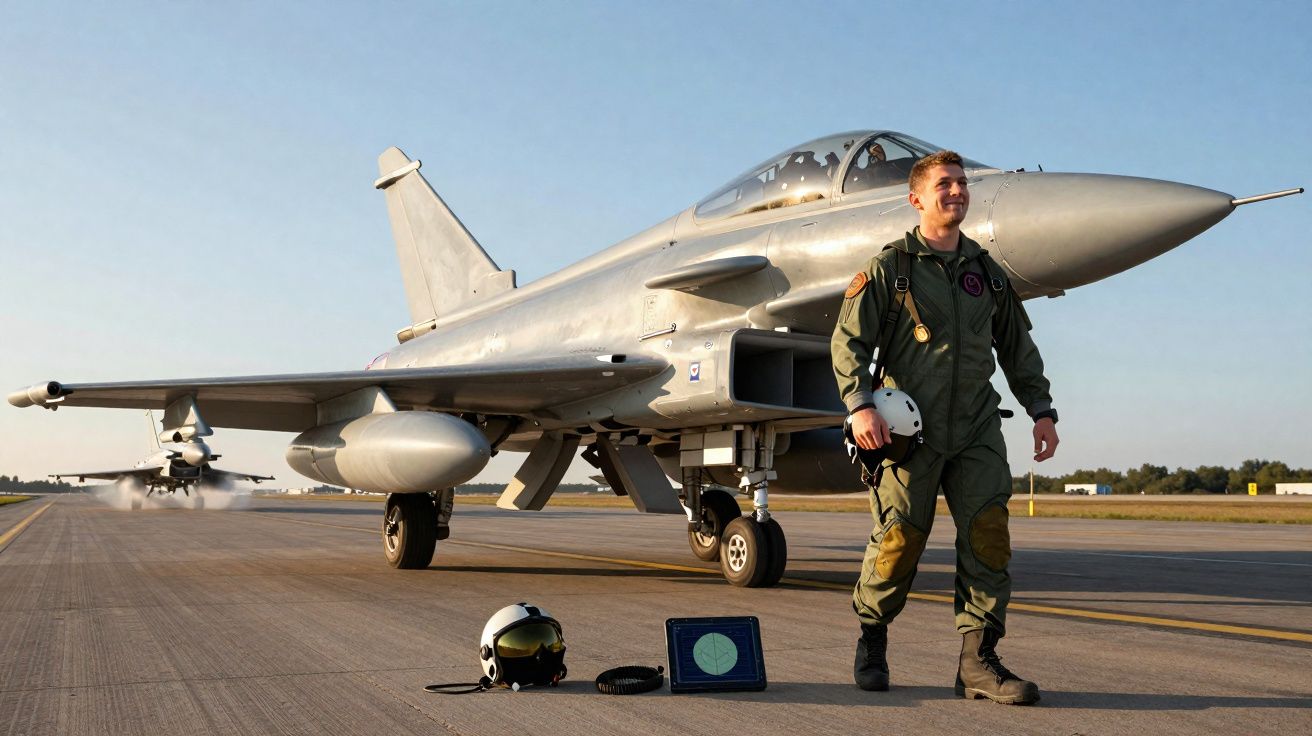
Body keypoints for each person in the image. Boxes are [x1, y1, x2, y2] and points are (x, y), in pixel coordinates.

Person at [830, 150, 1059, 705]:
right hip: (911, 431)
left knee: (988, 537)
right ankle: (872, 636)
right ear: (917, 199)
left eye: (961, 183)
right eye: (944, 184)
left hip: (978, 426)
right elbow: (848, 341)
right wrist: (860, 405)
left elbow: (1018, 350)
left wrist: (1042, 410)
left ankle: (977, 663)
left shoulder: (987, 274)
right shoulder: (890, 269)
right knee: (899, 540)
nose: (956, 191)